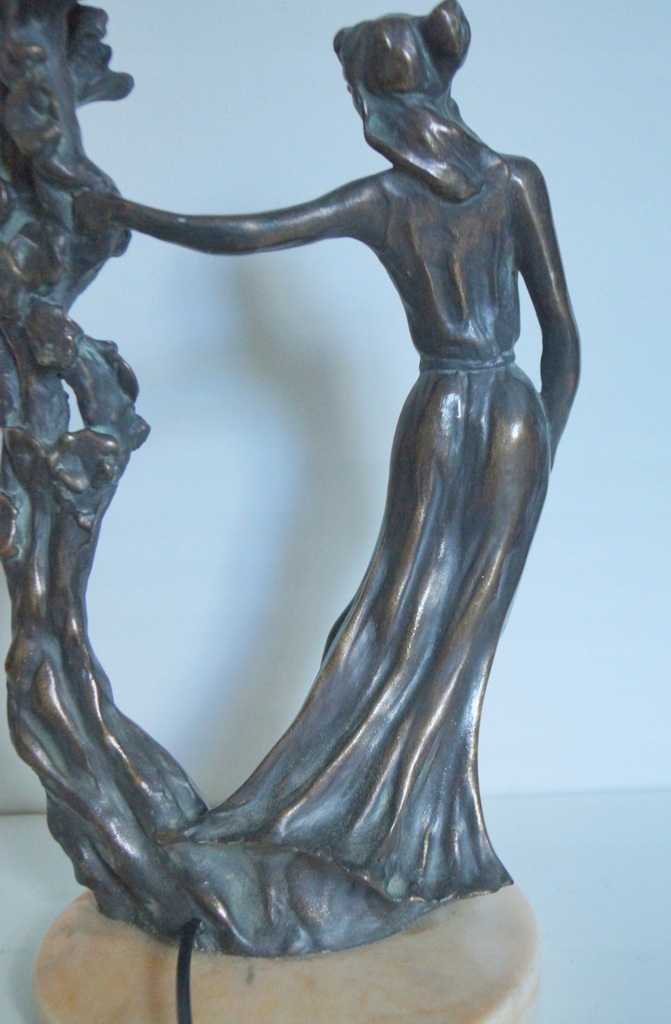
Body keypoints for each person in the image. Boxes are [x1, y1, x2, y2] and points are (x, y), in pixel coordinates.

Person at [77, 0, 578, 910]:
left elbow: (248, 233)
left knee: (400, 617)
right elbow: (562, 342)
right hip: (509, 415)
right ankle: (405, 833)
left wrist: (122, 209)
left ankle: (403, 830)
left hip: (446, 412)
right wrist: (543, 440)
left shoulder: (388, 199)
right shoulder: (510, 180)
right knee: (437, 627)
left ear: (372, 102)